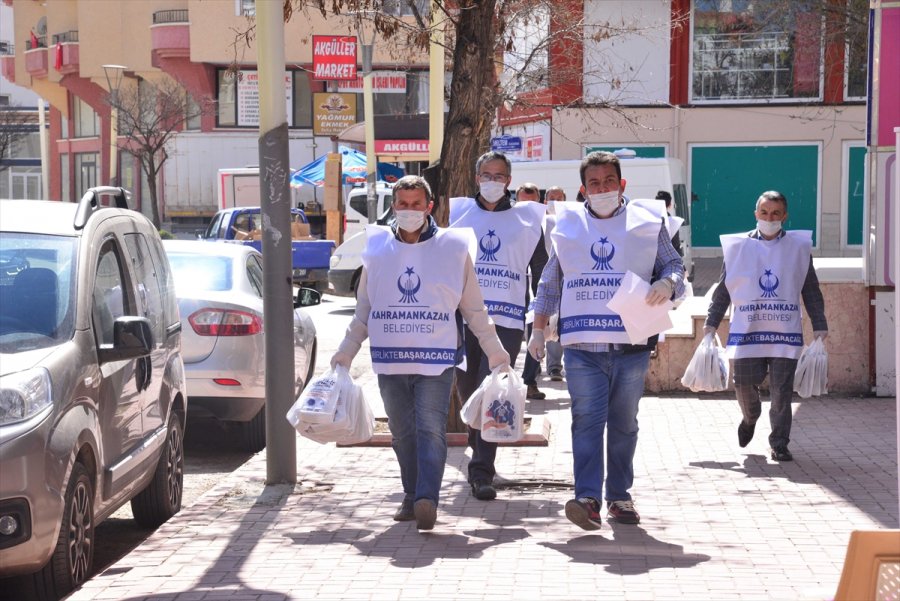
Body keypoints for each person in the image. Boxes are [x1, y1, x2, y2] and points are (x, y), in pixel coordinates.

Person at [331, 175, 510, 531]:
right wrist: (345, 353)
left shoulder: (453, 248)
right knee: (401, 432)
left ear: (429, 207)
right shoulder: (377, 248)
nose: (409, 210)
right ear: (393, 207)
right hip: (390, 359)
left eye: (416, 204)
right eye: (403, 204)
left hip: (436, 359)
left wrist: (496, 353)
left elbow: (473, 308)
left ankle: (427, 498)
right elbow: (364, 308)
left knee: (430, 428)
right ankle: (411, 494)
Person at [528, 151, 685, 530]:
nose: (602, 189)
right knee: (586, 421)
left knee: (624, 424)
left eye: (609, 182)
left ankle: (619, 495)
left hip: (631, 346)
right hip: (582, 348)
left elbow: (673, 264)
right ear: (583, 190)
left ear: (622, 184)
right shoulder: (568, 225)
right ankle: (587, 499)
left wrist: (668, 283)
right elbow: (550, 280)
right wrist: (538, 328)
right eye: (594, 184)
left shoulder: (647, 222)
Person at [450, 151, 549, 502]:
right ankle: (478, 448)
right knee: (468, 391)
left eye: (499, 176)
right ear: (477, 178)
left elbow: (541, 270)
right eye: (486, 175)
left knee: (491, 391)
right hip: (464, 320)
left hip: (506, 320)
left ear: (509, 180)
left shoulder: (528, 221)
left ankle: (481, 471)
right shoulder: (459, 215)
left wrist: (541, 318)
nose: (492, 181)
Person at [704, 190, 827, 463]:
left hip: (785, 333)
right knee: (743, 385)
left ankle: (779, 443)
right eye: (764, 213)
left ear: (785, 216)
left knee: (782, 392)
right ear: (755, 214)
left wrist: (820, 324)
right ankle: (750, 417)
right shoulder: (738, 248)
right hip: (748, 331)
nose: (769, 218)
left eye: (775, 213)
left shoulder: (798, 248)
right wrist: (711, 323)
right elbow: (724, 289)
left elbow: (810, 288)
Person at [514, 182, 550, 399]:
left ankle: (529, 381)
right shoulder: (508, 223)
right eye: (523, 202)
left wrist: (542, 299)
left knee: (535, 334)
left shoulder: (541, 225)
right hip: (508, 290)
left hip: (533, 290)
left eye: (532, 203)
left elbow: (539, 265)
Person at [655, 190, 682, 256]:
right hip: (668, 258)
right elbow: (676, 245)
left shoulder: (650, 219)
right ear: (670, 205)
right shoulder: (672, 222)